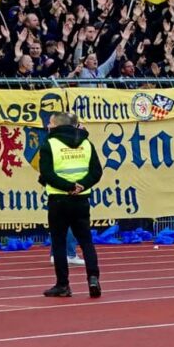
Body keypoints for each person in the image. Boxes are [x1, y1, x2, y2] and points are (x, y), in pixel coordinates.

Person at [39, 111, 102, 298]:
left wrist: (68, 187)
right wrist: (81, 186)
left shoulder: (49, 144)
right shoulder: (87, 144)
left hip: (59, 199)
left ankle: (63, 285)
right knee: (86, 241)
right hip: (82, 199)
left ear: (57, 125)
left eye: (50, 123)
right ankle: (93, 278)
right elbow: (96, 171)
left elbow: (48, 174)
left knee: (58, 243)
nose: (48, 126)